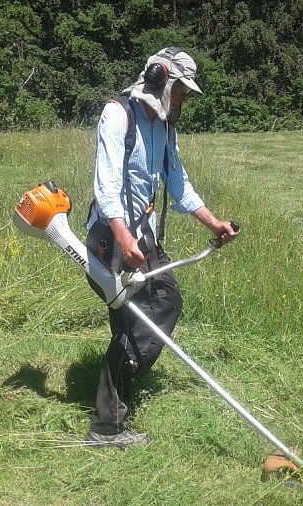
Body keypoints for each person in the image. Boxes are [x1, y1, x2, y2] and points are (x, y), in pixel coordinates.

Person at [83, 47, 239, 448]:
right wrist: (123, 239)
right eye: (182, 90)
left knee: (160, 304)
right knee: (135, 320)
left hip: (143, 236)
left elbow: (177, 181)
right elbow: (106, 186)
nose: (185, 99)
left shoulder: (166, 127)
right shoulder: (118, 114)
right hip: (112, 237)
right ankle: (108, 424)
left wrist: (214, 222)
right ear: (160, 79)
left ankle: (120, 385)